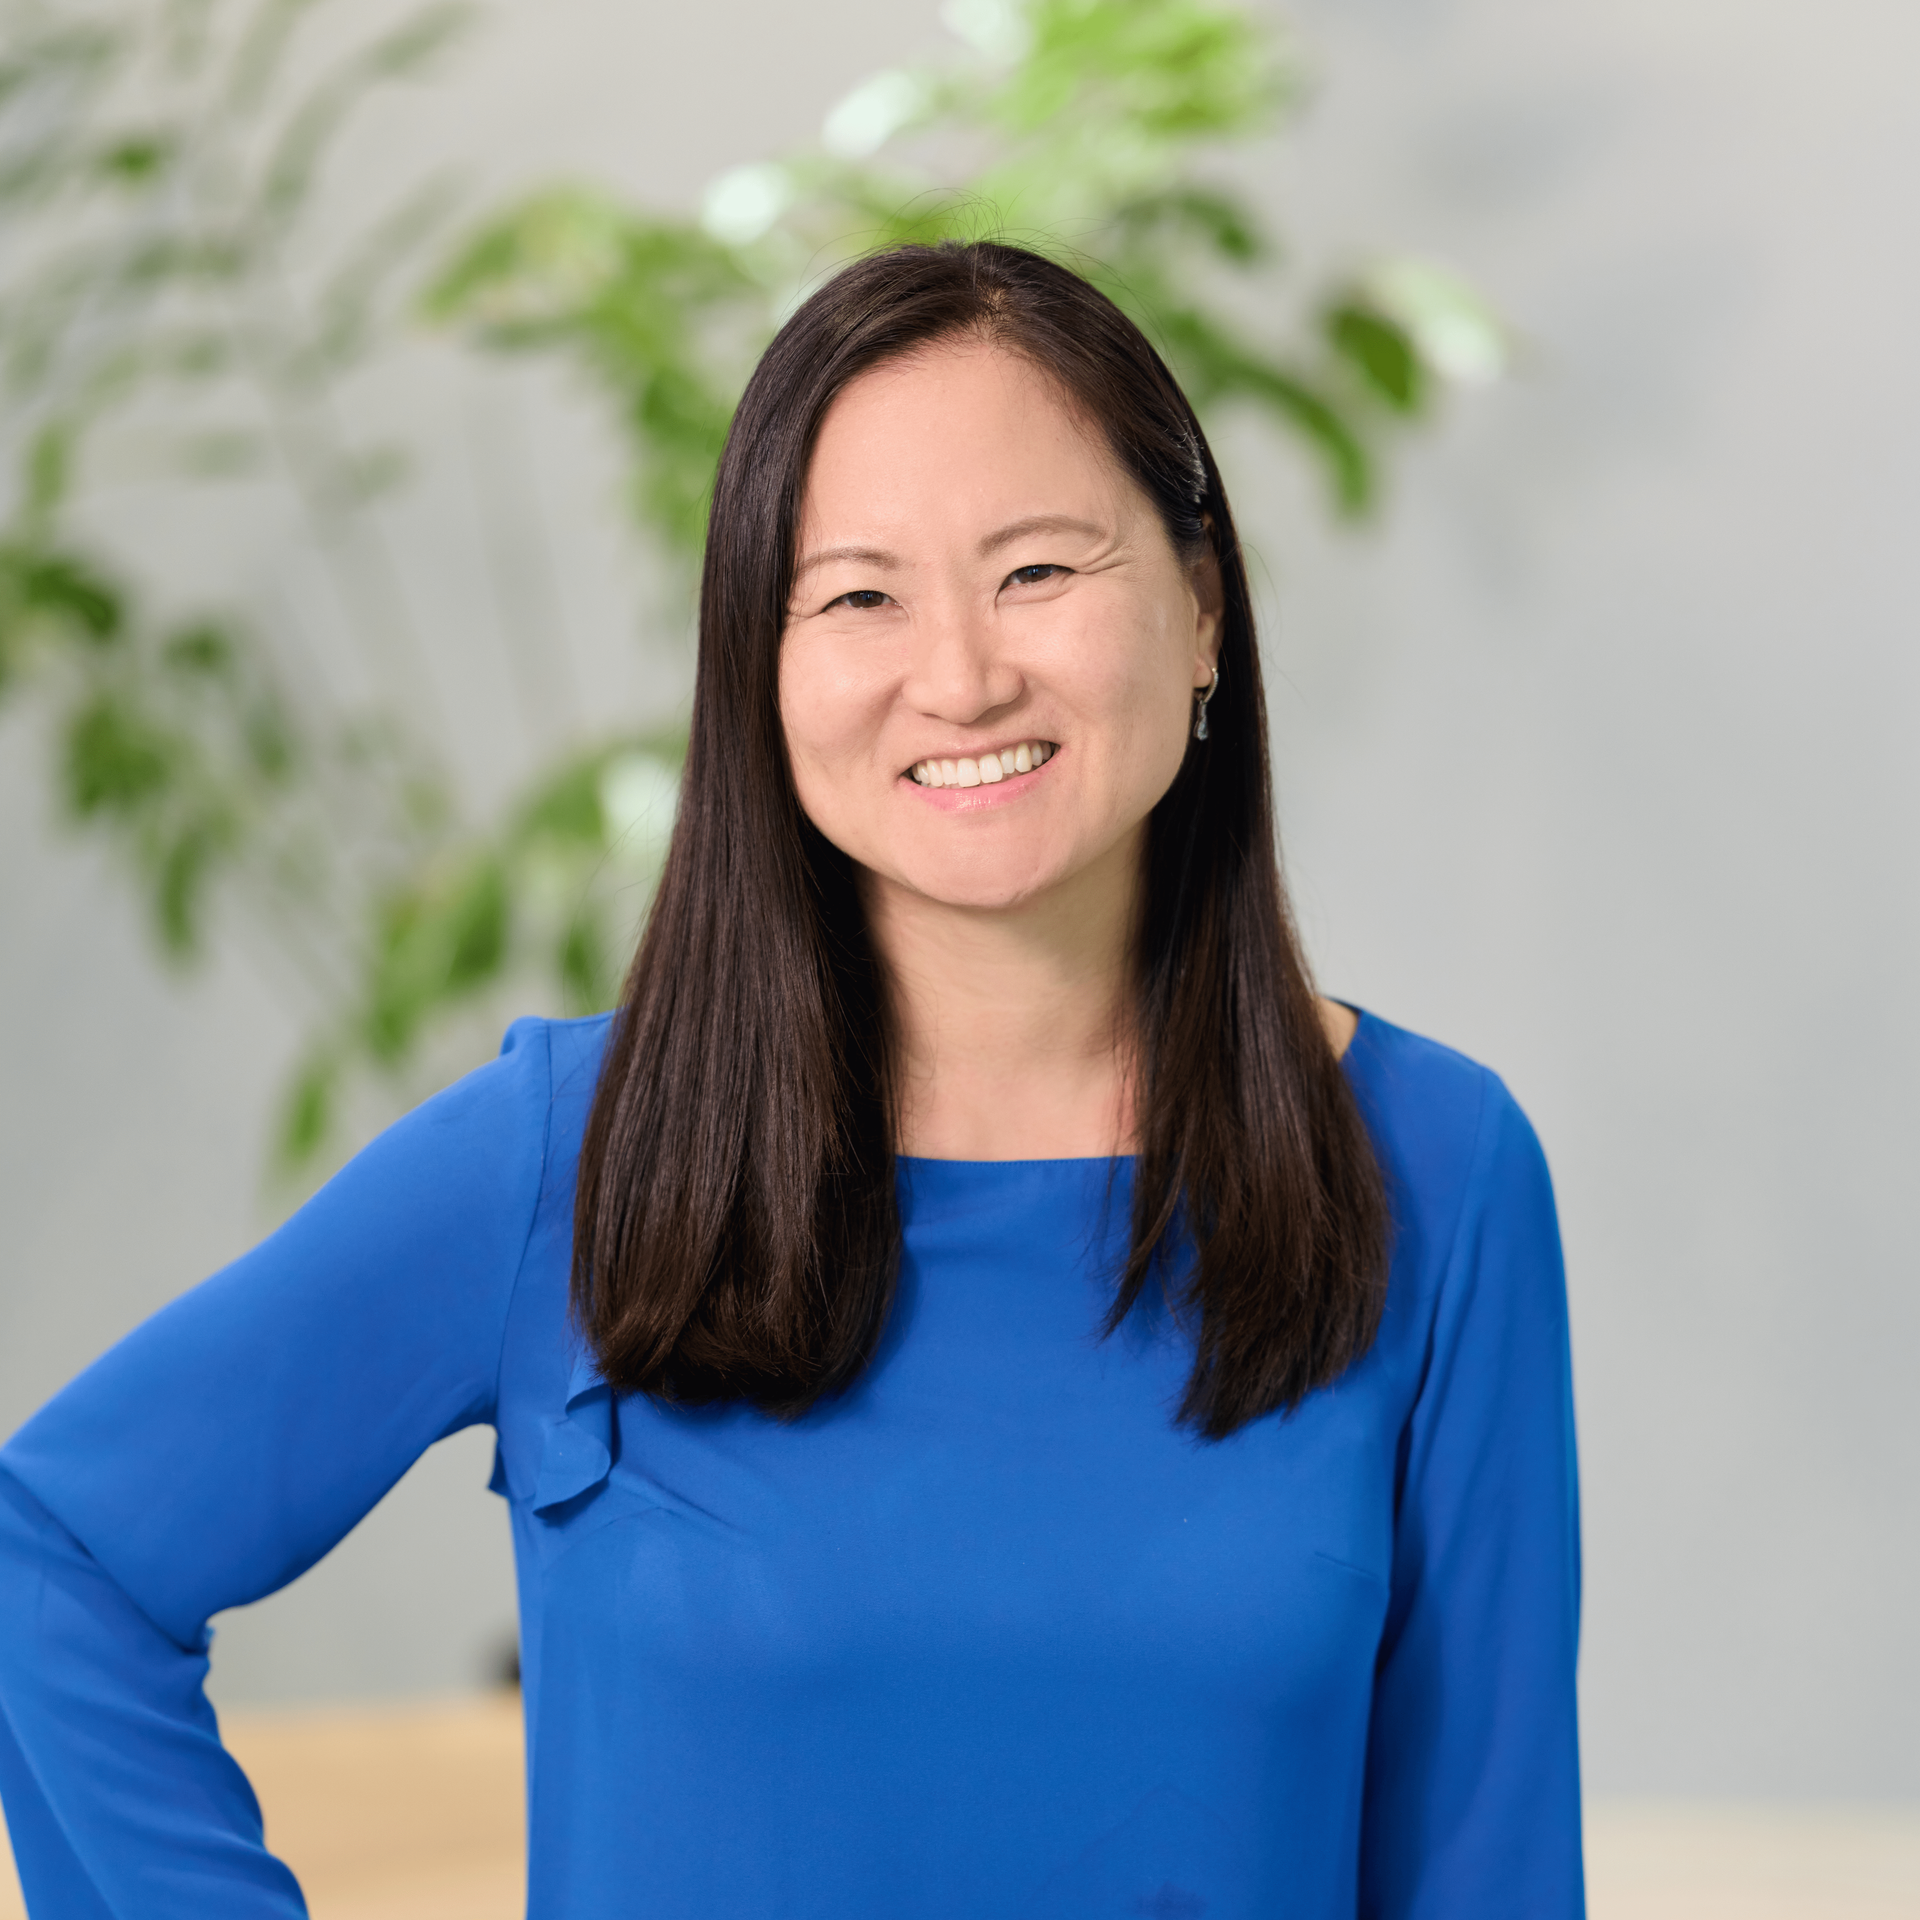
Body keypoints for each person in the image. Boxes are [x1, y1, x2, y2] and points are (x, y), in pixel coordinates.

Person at [0, 241, 1582, 1917]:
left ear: (1202, 606)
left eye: (1038, 571)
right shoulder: (571, 1163)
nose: (961, 675)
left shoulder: (1434, 1167)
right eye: (857, 595)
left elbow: (1486, 1870)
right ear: (760, 670)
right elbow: (59, 1556)